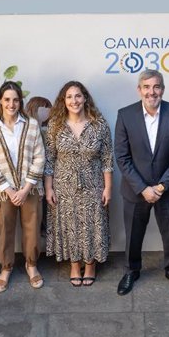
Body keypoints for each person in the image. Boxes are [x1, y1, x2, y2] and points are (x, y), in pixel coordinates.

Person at [114, 69, 169, 296]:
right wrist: (142, 188)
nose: (152, 92)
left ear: (163, 89)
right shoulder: (125, 115)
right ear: (139, 90)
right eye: (146, 87)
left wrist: (160, 187)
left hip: (168, 189)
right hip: (135, 190)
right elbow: (122, 157)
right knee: (133, 235)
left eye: (156, 87)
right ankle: (131, 270)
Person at [44, 81, 113, 287]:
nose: (74, 100)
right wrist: (48, 188)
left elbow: (107, 158)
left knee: (92, 223)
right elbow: (49, 159)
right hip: (63, 186)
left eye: (78, 96)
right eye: (69, 97)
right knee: (70, 226)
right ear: (63, 101)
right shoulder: (55, 126)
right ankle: (74, 264)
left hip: (93, 184)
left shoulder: (99, 125)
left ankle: (90, 264)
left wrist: (108, 187)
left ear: (85, 98)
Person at [0, 82, 46, 293]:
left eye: (16, 100)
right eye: (7, 99)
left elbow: (39, 158)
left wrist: (25, 189)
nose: (11, 104)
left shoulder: (32, 125)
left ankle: (31, 265)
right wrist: (10, 191)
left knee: (32, 229)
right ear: (0, 100)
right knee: (5, 231)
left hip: (30, 190)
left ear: (21, 101)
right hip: (3, 193)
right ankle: (6, 268)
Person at [26, 96, 53, 238]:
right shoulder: (28, 130)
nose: (50, 112)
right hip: (33, 182)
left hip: (48, 180)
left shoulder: (49, 129)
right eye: (46, 108)